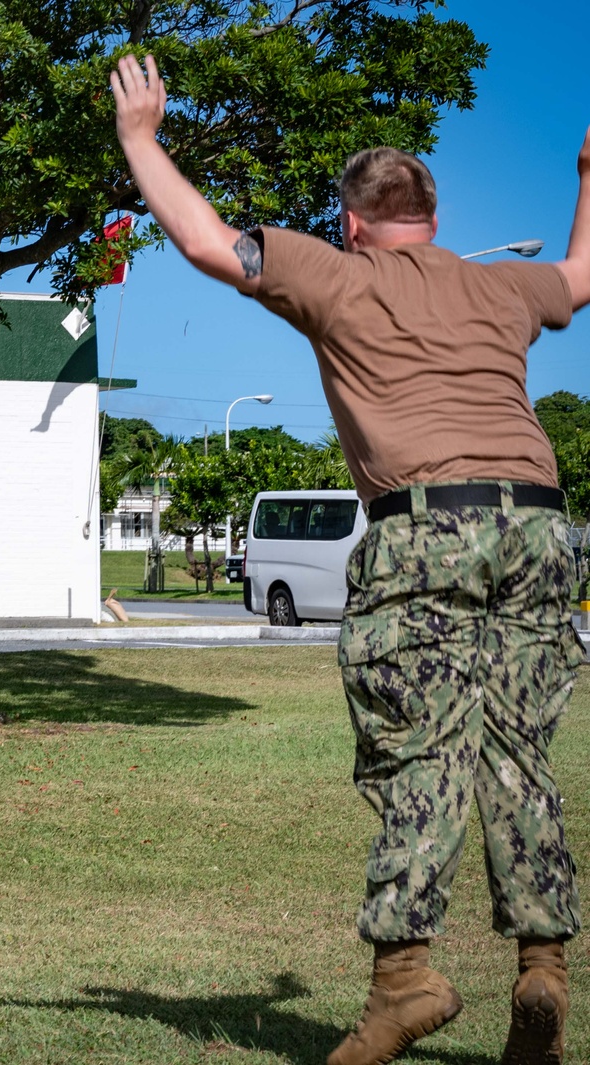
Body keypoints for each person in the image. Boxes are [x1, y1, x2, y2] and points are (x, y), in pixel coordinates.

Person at [111, 53, 590, 1065]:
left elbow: (205, 244)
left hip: (429, 524)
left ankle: (404, 982)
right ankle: (542, 966)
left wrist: (140, 139)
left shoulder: (335, 268)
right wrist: (588, 181)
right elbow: (583, 279)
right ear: (432, 212)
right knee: (516, 752)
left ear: (352, 221)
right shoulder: (498, 281)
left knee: (417, 752)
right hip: (545, 526)